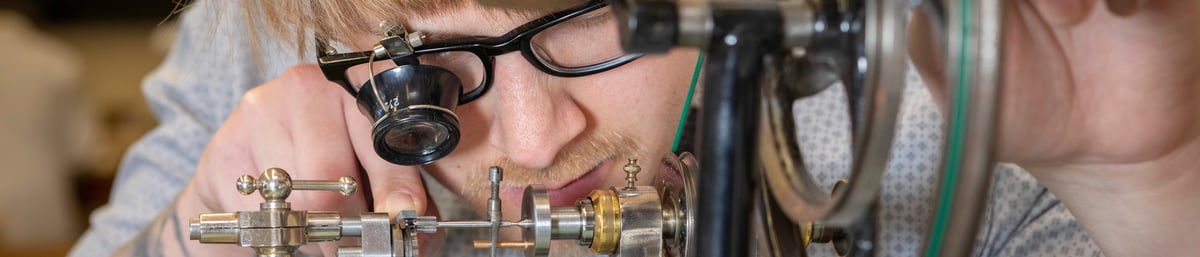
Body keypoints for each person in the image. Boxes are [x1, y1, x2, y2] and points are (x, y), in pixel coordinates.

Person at [69, 0, 1198, 256]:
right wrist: (184, 238)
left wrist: (1148, 169)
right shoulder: (258, 36)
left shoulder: (930, 80)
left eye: (595, 12)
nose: (533, 130)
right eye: (425, 55)